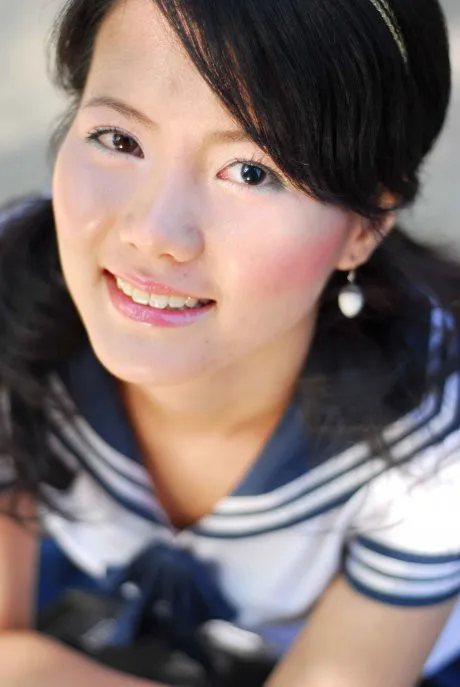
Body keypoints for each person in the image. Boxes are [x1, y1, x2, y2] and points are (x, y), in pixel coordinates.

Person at [0, 0, 459, 684]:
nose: (153, 233)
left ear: (364, 228)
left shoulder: (433, 432)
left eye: (252, 172)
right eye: (119, 138)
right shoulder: (14, 290)